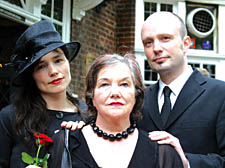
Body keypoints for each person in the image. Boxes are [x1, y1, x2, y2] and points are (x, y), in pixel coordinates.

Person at [52, 54, 184, 168]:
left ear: (136, 95)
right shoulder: (67, 143)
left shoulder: (162, 153)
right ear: (92, 96)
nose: (115, 93)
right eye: (104, 84)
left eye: (124, 84)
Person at [140, 11, 225, 168]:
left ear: (186, 44)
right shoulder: (139, 100)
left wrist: (186, 162)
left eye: (165, 38)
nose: (156, 48)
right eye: (148, 42)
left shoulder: (220, 94)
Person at [0, 20, 86, 168]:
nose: (53, 71)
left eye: (58, 60)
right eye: (41, 66)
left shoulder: (90, 116)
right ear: (31, 76)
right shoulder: (10, 118)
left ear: (68, 62)